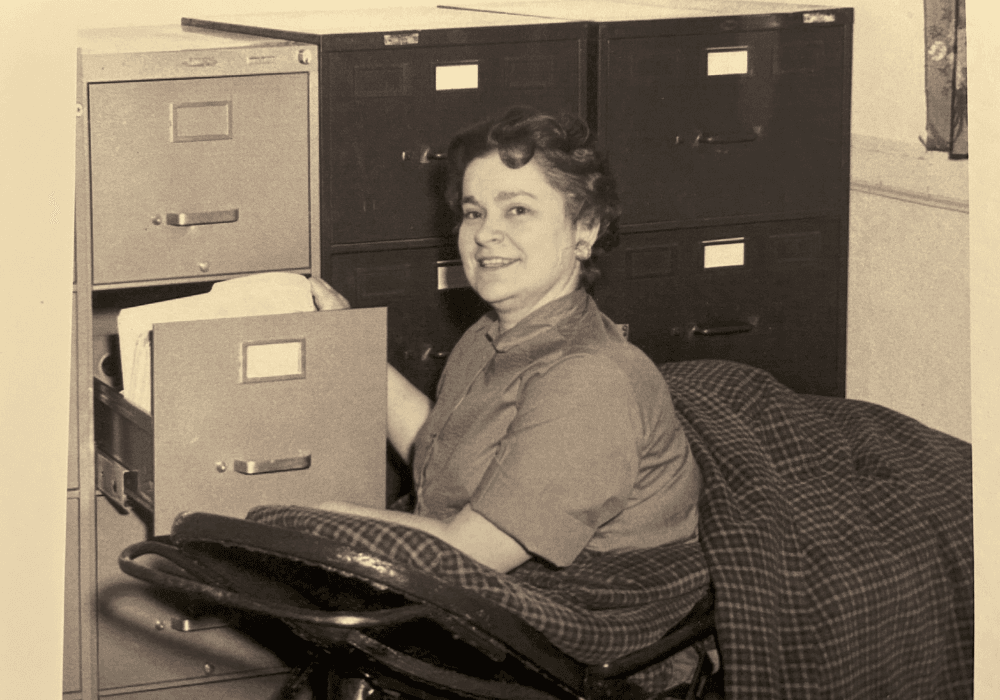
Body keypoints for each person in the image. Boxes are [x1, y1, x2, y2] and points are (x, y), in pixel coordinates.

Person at [311, 107, 701, 574]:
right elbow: (440, 457)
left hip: (580, 612)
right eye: (474, 212)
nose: (485, 234)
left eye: (517, 210)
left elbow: (472, 552)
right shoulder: (489, 336)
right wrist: (348, 344)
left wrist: (299, 517)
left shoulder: (592, 379)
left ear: (585, 229)